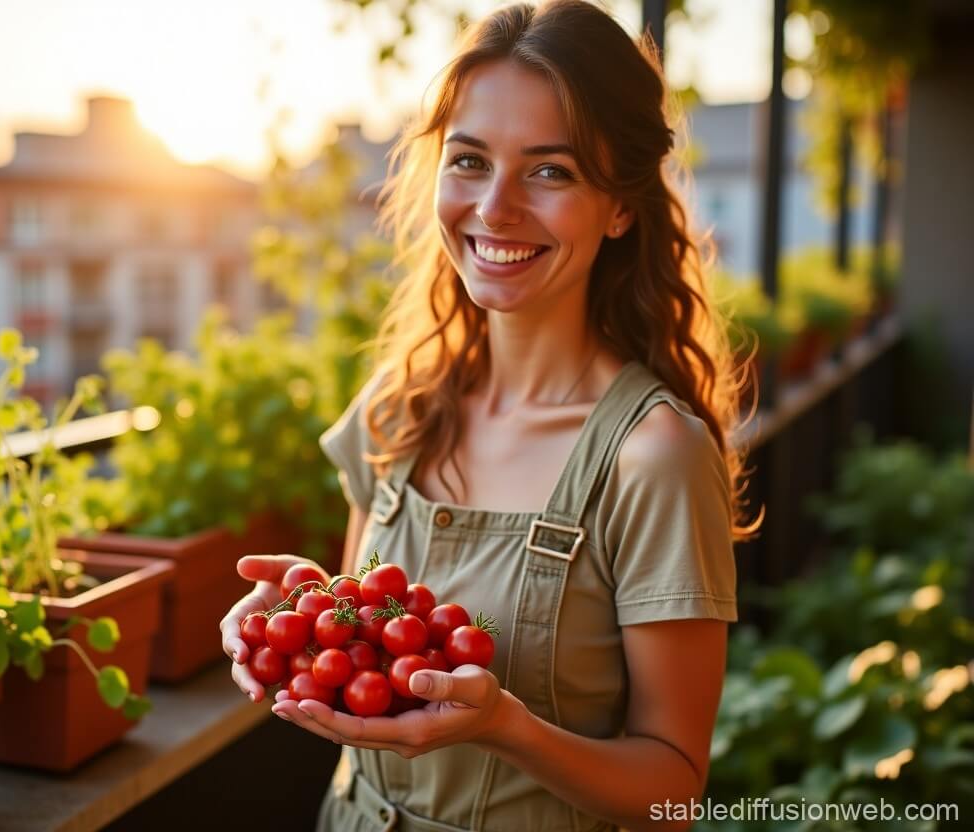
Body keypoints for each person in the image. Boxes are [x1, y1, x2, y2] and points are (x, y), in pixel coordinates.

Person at [220, 1, 758, 829]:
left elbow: (675, 791)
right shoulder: (399, 405)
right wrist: (310, 618)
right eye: (469, 160)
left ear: (620, 206)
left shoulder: (652, 457)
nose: (496, 208)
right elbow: (376, 638)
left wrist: (508, 728)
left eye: (551, 171)